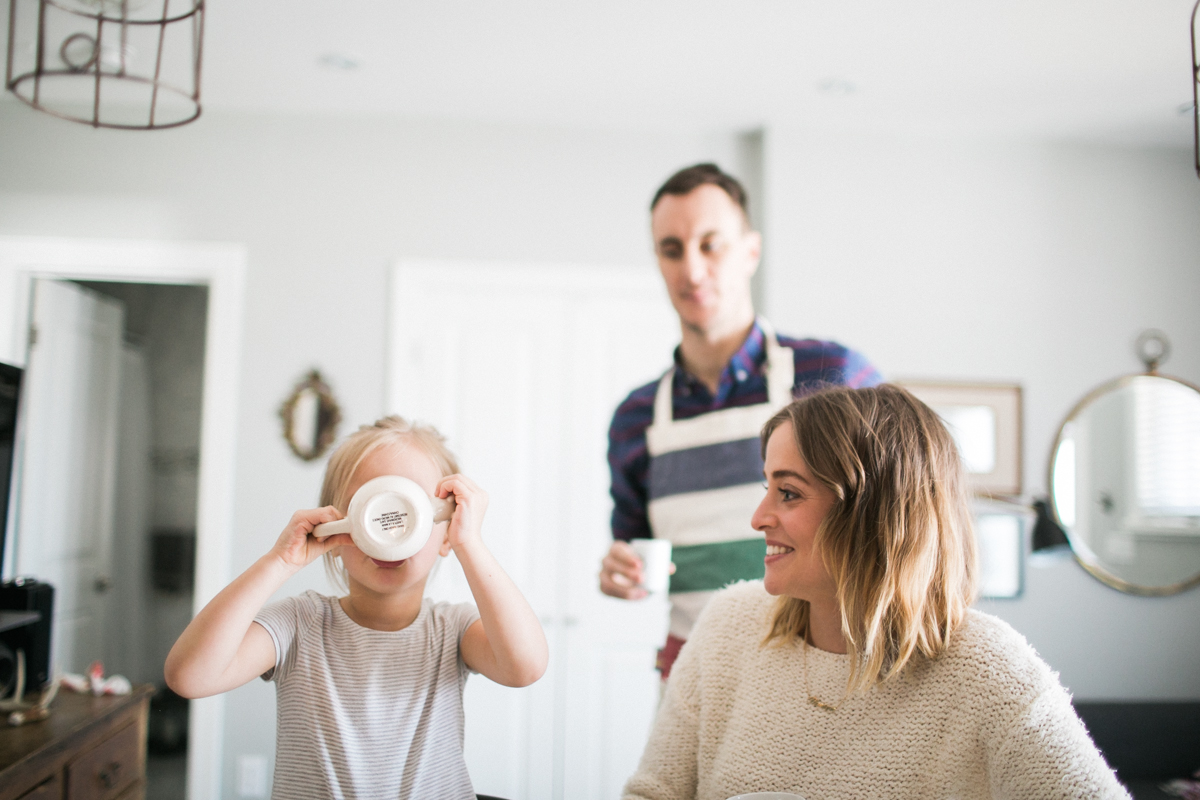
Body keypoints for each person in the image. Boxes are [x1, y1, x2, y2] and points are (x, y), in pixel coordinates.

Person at [622, 385, 1129, 800]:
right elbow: (652, 793)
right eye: (766, 488)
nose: (759, 519)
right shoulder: (728, 626)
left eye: (789, 493)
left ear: (871, 512)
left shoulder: (989, 670)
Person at [165, 416, 549, 800]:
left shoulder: (453, 629)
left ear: (446, 531)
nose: (392, 529)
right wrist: (279, 561)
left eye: (412, 509)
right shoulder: (298, 625)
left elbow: (525, 667)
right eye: (372, 508)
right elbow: (190, 677)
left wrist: (472, 544)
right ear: (333, 525)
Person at [601, 163, 880, 678]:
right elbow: (633, 545)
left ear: (750, 251)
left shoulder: (832, 373)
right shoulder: (634, 418)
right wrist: (621, 571)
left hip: (819, 669)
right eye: (671, 248)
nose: (691, 269)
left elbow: (895, 518)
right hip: (692, 674)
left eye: (711, 244)